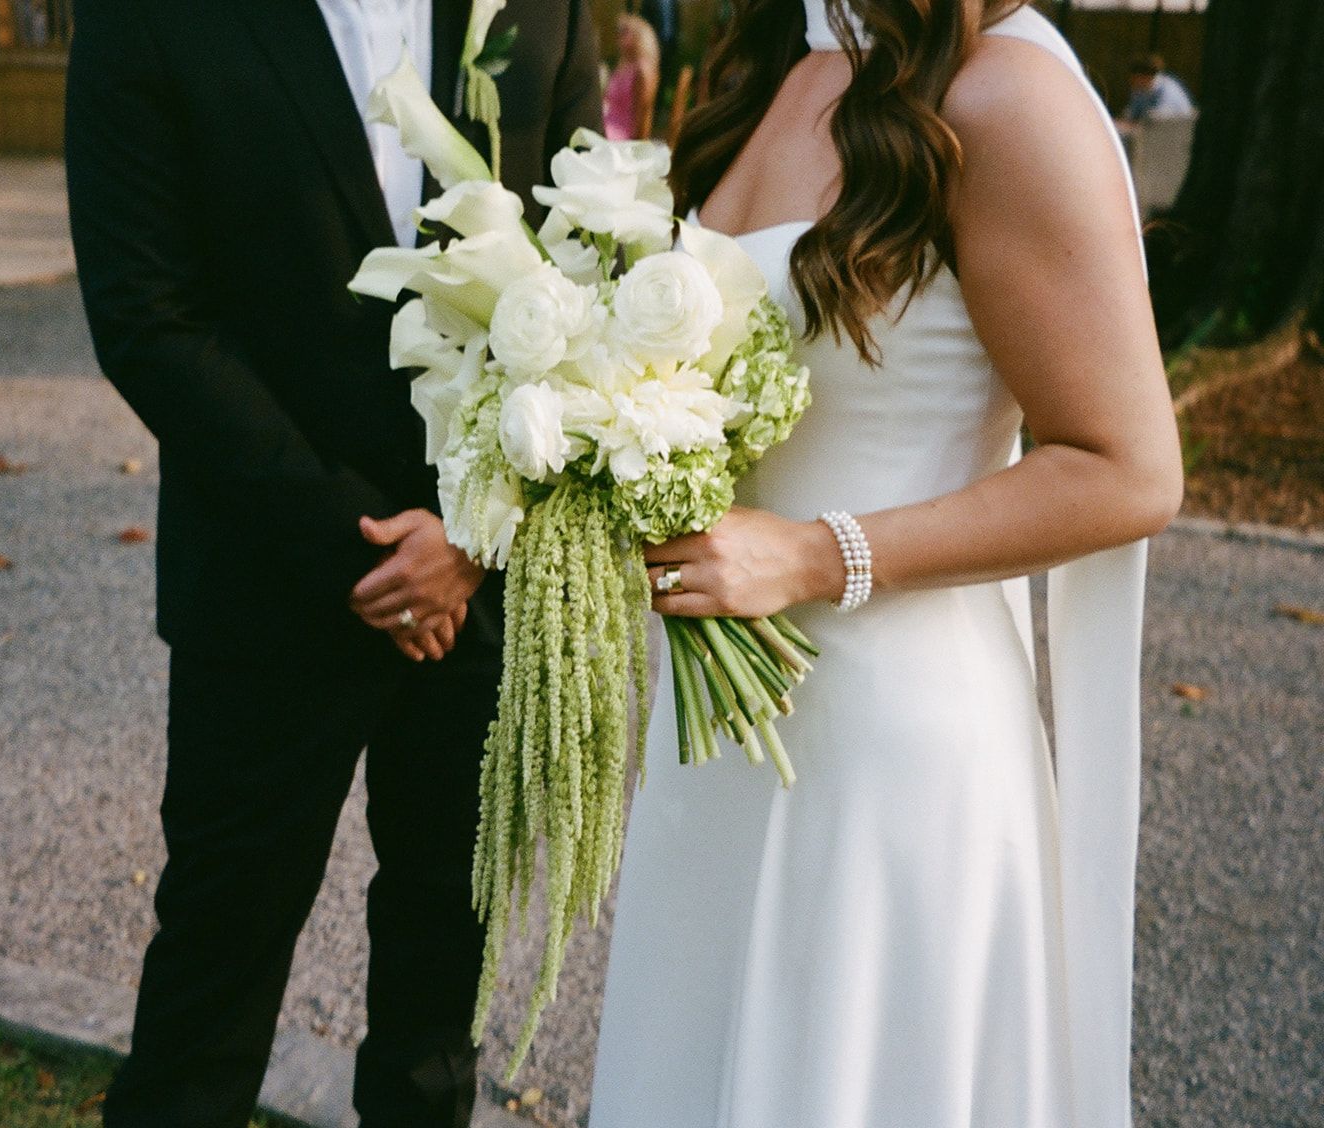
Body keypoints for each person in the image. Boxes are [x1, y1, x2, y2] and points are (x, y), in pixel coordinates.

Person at [591, 2, 1181, 1127]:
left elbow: (1127, 468)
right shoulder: (779, 64)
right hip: (720, 736)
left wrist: (818, 554)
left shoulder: (1003, 97)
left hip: (889, 757)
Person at [62, 2, 600, 1126]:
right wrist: (347, 541)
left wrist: (470, 526)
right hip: (267, 585)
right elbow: (146, 314)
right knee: (210, 992)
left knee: (437, 1006)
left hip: (479, 579)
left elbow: (583, 261)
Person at [604, 13, 660, 141]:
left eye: (624, 32)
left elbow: (643, 116)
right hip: (608, 122)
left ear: (639, 36)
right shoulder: (624, 65)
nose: (618, 36)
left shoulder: (642, 70)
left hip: (621, 133)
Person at [1124, 52, 1196, 123]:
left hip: (1173, 131)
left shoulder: (1168, 90)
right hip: (1153, 129)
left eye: (1135, 79)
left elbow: (1155, 125)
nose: (1131, 82)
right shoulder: (1140, 90)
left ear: (1146, 77)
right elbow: (1130, 115)